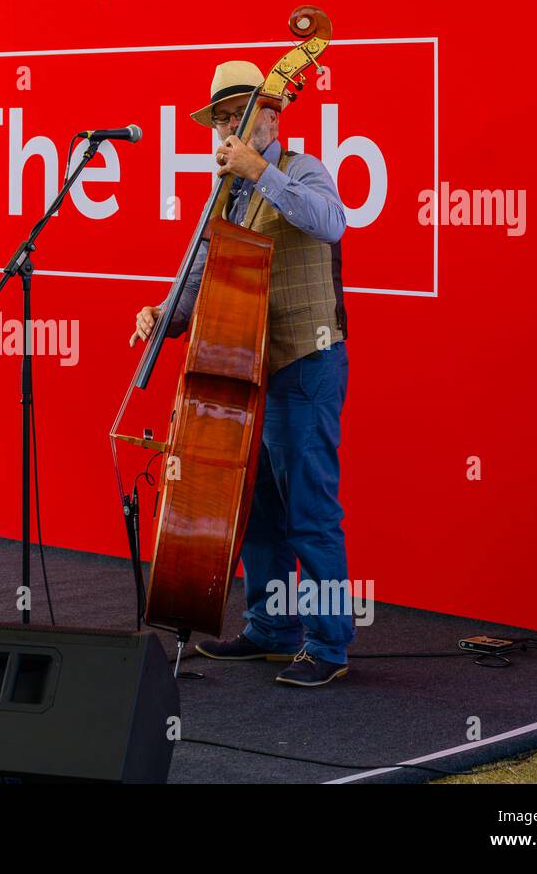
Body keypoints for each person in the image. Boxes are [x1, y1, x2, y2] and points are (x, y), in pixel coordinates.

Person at [130, 60, 352, 686]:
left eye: (240, 115)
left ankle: (330, 646)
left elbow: (332, 222)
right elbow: (200, 277)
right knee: (255, 507)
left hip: (306, 359)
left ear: (272, 117)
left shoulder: (301, 169)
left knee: (310, 509)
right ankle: (271, 628)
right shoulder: (224, 192)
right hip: (245, 366)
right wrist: (160, 314)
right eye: (221, 119)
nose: (228, 127)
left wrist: (262, 172)